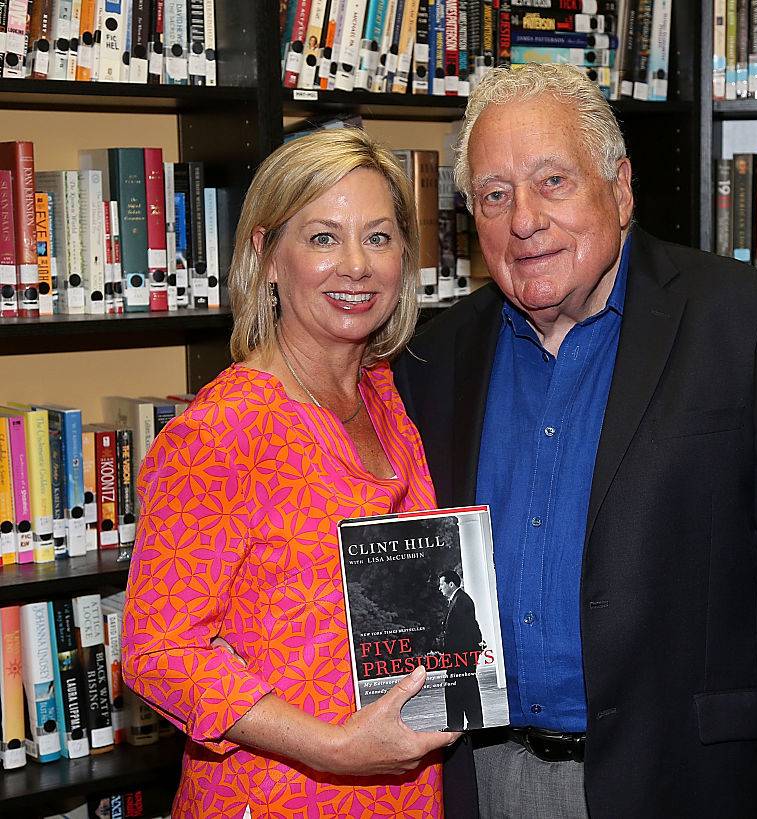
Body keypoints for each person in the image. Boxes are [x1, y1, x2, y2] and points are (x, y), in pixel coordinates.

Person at [394, 64, 757, 818]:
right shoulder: (434, 362)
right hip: (483, 779)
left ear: (622, 188)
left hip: (683, 783)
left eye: (553, 181)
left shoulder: (747, 328)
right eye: (495, 195)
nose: (524, 220)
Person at [121, 128, 457, 818]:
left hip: (405, 790)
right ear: (267, 256)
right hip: (277, 795)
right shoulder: (222, 432)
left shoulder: (385, 397)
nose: (357, 266)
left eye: (379, 236)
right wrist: (331, 745)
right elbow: (158, 650)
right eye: (324, 238)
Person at [438, 570, 485, 731]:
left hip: (461, 657)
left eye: (441, 584)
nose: (440, 588)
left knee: (464, 690)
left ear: (451, 584)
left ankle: (468, 725)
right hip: (459, 657)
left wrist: (469, 654)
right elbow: (473, 627)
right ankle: (459, 725)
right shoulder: (458, 600)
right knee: (459, 690)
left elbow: (468, 630)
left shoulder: (461, 601)